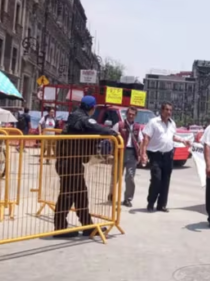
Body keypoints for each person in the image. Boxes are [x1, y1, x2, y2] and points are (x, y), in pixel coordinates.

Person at [53, 96, 118, 238]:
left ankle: (87, 225)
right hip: (69, 163)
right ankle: (60, 228)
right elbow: (93, 126)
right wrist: (112, 132)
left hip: (71, 162)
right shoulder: (81, 118)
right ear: (91, 108)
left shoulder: (75, 116)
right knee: (67, 195)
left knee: (81, 194)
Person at [140, 102, 190, 213]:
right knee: (156, 179)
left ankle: (161, 205)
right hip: (156, 155)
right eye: (167, 110)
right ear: (162, 111)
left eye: (170, 110)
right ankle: (151, 203)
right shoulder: (153, 122)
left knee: (165, 181)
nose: (169, 112)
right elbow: (146, 138)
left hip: (168, 155)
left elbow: (172, 136)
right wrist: (143, 153)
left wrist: (183, 140)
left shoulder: (172, 124)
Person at [109, 107, 143, 207]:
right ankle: (111, 194)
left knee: (130, 177)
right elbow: (111, 137)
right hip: (120, 153)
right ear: (126, 114)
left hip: (132, 154)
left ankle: (128, 199)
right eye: (129, 114)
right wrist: (111, 152)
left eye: (133, 114)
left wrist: (140, 153)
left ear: (135, 115)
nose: (131, 116)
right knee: (115, 176)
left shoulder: (137, 127)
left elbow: (140, 140)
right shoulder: (119, 125)